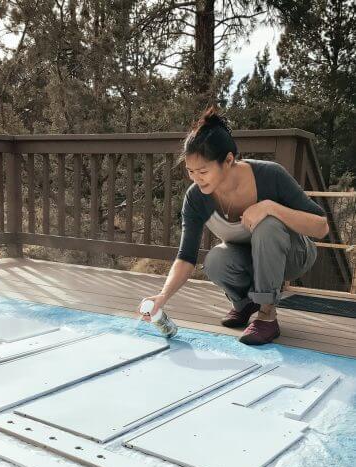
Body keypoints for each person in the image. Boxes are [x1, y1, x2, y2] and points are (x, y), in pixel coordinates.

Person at [141, 108, 329, 345]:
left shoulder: (270, 175)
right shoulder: (197, 197)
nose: (196, 178)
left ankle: (267, 316)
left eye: (203, 171)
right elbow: (186, 257)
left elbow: (321, 227)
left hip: (293, 255)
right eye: (190, 171)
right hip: (251, 260)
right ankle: (245, 304)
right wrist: (162, 296)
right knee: (216, 259)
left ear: (228, 160)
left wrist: (270, 207)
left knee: (268, 224)